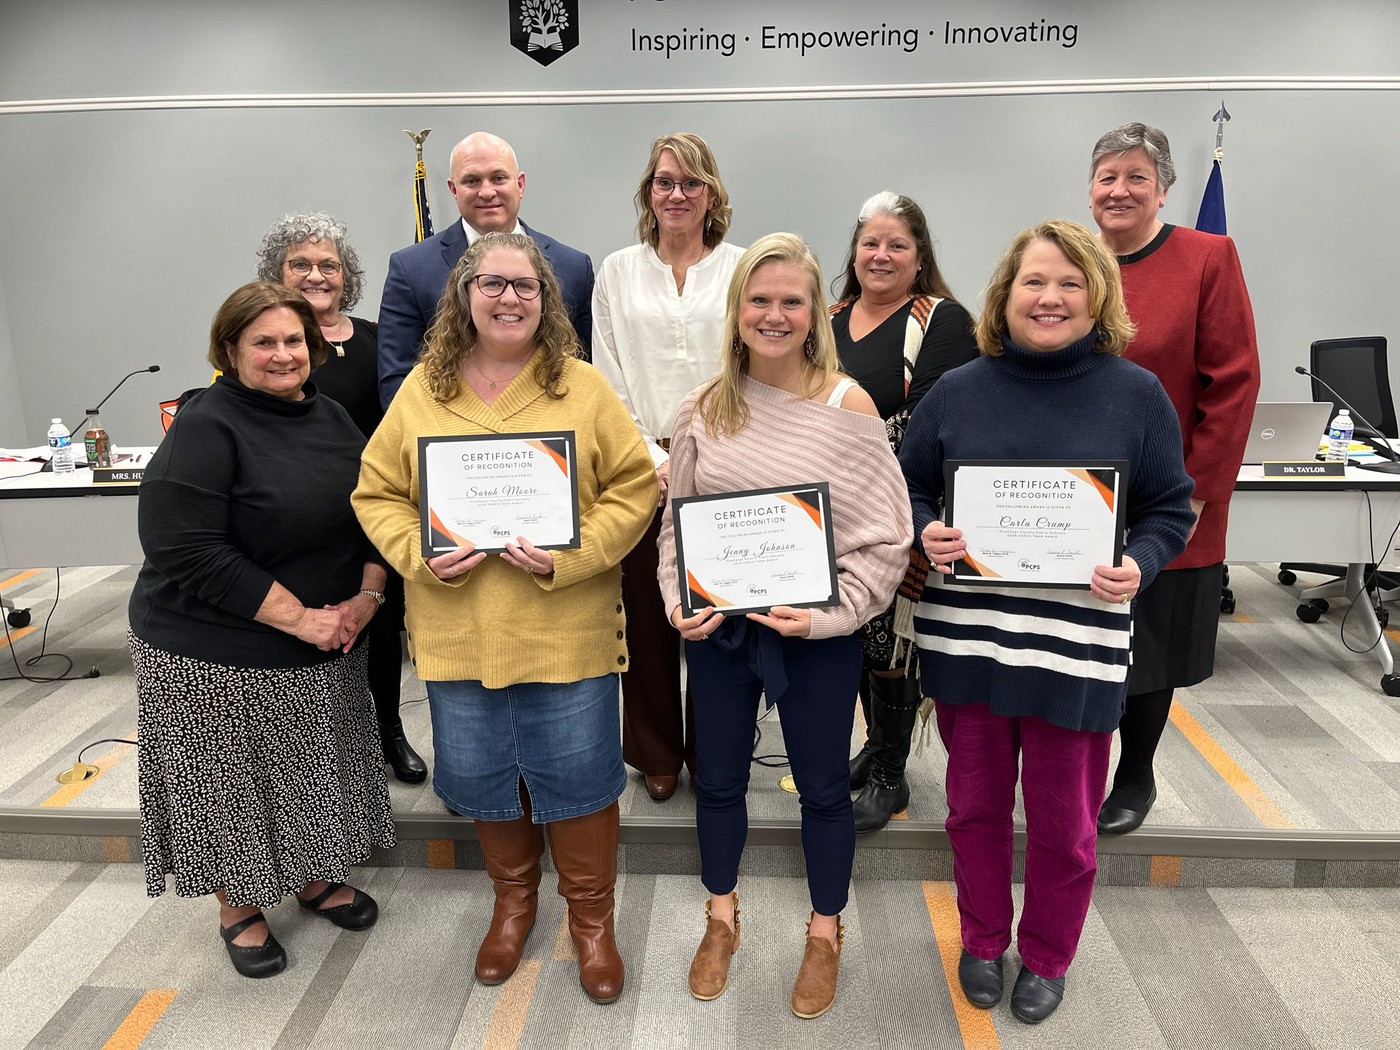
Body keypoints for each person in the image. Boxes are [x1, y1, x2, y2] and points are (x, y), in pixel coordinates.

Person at [901, 220, 1194, 1023]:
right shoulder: (958, 390)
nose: (1051, 297)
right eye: (1035, 281)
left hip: (1077, 646)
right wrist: (927, 528)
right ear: (1006, 294)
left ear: (1097, 295)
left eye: (1070, 282)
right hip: (971, 644)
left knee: (1066, 826)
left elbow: (1172, 508)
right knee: (974, 810)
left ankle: (1049, 954)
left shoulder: (1136, 395)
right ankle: (985, 938)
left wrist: (1141, 559)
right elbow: (909, 486)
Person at [353, 232, 656, 1005]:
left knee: (582, 779)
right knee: (485, 777)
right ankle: (513, 904)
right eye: (491, 283)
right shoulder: (425, 389)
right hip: (460, 625)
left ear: (547, 300)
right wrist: (418, 558)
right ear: (464, 295)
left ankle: (591, 920)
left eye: (525, 286)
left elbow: (633, 489)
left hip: (566, 623)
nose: (508, 298)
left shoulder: (582, 388)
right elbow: (377, 494)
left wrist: (573, 554)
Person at [657, 233, 912, 1019]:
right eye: (757, 300)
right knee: (720, 780)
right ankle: (721, 917)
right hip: (726, 638)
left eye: (789, 301)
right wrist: (677, 601)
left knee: (826, 790)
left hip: (816, 637)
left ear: (814, 315)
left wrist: (828, 615)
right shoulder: (702, 408)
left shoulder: (847, 406)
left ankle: (824, 929)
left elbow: (887, 538)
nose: (773, 315)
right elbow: (676, 529)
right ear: (736, 313)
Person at [129, 282, 396, 979]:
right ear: (229, 351)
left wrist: (367, 599)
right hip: (209, 647)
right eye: (265, 342)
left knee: (309, 766)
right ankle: (238, 905)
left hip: (326, 639)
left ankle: (309, 877)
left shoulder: (333, 416)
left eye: (295, 341)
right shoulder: (206, 424)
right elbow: (183, 548)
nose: (284, 355)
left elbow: (378, 508)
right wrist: (302, 618)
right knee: (231, 784)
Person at [1086, 122, 1261, 834]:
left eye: (1135, 176)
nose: (1119, 189)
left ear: (1163, 188)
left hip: (1170, 495)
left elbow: (1234, 382)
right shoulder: (1073, 259)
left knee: (1148, 645)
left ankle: (1136, 773)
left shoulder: (1206, 257)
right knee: (1085, 633)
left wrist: (1192, 493)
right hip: (1078, 492)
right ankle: (1079, 764)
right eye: (1106, 177)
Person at [593, 132, 746, 802]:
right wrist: (652, 457)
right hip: (640, 465)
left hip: (725, 461)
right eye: (664, 181)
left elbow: (756, 364)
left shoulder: (743, 267)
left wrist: (710, 453)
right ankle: (656, 750)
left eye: (691, 182)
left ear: (712, 193)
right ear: (647, 193)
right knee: (648, 617)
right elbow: (608, 375)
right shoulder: (618, 271)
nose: (677, 194)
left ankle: (718, 747)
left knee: (716, 616)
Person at [256, 211, 426, 784]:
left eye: (328, 264)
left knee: (380, 624)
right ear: (277, 273)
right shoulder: (271, 346)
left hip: (379, 509)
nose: (315, 275)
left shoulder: (379, 339)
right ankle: (320, 755)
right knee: (311, 624)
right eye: (299, 264)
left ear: (345, 274)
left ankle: (388, 732)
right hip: (305, 514)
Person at [830, 190, 979, 833]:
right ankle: (874, 747)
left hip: (899, 505)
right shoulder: (828, 317)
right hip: (830, 505)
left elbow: (934, 421)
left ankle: (892, 770)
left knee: (893, 634)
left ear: (920, 256)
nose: (881, 255)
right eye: (871, 243)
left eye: (897, 245)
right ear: (854, 251)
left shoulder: (941, 321)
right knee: (856, 631)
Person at [378, 131, 595, 407]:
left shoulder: (574, 267)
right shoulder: (410, 269)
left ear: (520, 184)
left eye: (498, 178)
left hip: (548, 441)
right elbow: (397, 383)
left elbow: (584, 373)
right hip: (450, 439)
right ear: (453, 190)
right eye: (471, 180)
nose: (487, 191)